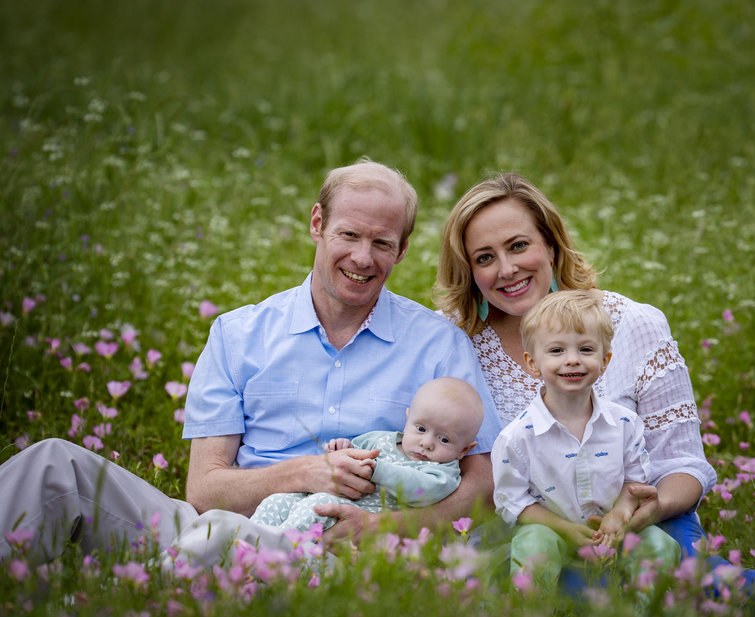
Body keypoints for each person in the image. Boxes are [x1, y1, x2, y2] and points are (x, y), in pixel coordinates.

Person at [0, 159, 502, 566]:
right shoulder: (239, 335)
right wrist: (306, 472)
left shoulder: (437, 345)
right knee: (52, 465)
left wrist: (383, 528)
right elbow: (204, 489)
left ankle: (126, 601)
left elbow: (484, 484)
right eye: (349, 235)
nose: (363, 258)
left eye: (382, 243)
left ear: (403, 249)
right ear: (317, 224)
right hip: (223, 528)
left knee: (221, 540)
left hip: (339, 548)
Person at [436, 173, 755, 590]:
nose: (507, 269)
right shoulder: (457, 347)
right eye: (484, 258)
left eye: (519, 246)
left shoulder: (633, 324)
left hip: (648, 524)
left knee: (700, 586)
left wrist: (641, 511)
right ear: (469, 271)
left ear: (550, 245)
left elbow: (684, 465)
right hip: (533, 542)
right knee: (588, 601)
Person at [492, 290, 681, 588]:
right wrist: (565, 529)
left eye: (586, 349)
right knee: (532, 547)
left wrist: (619, 514)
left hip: (610, 528)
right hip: (552, 529)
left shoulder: (624, 424)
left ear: (605, 360)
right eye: (556, 351)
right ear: (532, 362)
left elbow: (634, 482)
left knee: (661, 546)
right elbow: (511, 501)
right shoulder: (517, 437)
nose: (572, 361)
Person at [251, 377, 483, 533]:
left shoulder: (442, 473)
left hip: (353, 521)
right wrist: (342, 449)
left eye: (444, 439)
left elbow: (420, 489)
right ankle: (246, 544)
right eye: (421, 429)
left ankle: (280, 554)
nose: (427, 443)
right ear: (408, 418)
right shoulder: (381, 439)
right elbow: (353, 451)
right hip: (330, 497)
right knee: (277, 501)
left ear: (464, 449)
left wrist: (380, 471)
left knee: (318, 505)